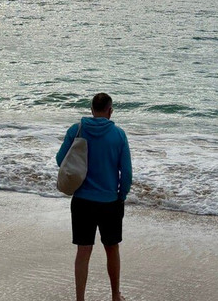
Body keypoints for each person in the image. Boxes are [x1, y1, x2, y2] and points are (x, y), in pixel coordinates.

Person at [56, 92, 132, 301]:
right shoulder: (119, 135)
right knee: (112, 248)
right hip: (110, 202)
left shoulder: (76, 130)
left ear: (91, 110)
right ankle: (115, 296)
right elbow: (126, 173)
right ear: (110, 111)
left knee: (83, 250)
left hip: (82, 201)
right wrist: (122, 195)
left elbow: (61, 160)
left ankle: (80, 299)